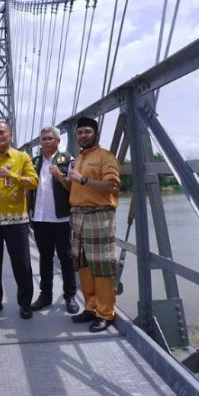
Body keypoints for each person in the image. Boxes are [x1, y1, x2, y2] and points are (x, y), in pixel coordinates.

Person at [0, 121, 39, 319]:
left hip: (17, 221)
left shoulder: (22, 157)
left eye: (2, 132)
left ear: (10, 135)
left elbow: (33, 182)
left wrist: (11, 174)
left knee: (22, 264)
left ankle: (25, 304)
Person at [68, 116, 121, 332]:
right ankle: (90, 307)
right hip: (78, 215)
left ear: (96, 134)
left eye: (87, 132)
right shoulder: (79, 157)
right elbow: (76, 187)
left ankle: (105, 313)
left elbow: (112, 186)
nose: (83, 135)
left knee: (101, 266)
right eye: (80, 132)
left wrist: (83, 180)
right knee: (83, 265)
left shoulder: (105, 156)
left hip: (98, 214)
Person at [27, 126, 79, 315]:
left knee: (66, 258)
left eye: (50, 138)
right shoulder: (34, 161)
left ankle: (70, 296)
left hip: (61, 217)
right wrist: (28, 213)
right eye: (43, 139)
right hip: (40, 218)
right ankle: (45, 295)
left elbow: (72, 188)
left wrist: (59, 175)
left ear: (58, 141)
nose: (46, 142)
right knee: (45, 258)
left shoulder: (68, 159)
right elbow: (29, 190)